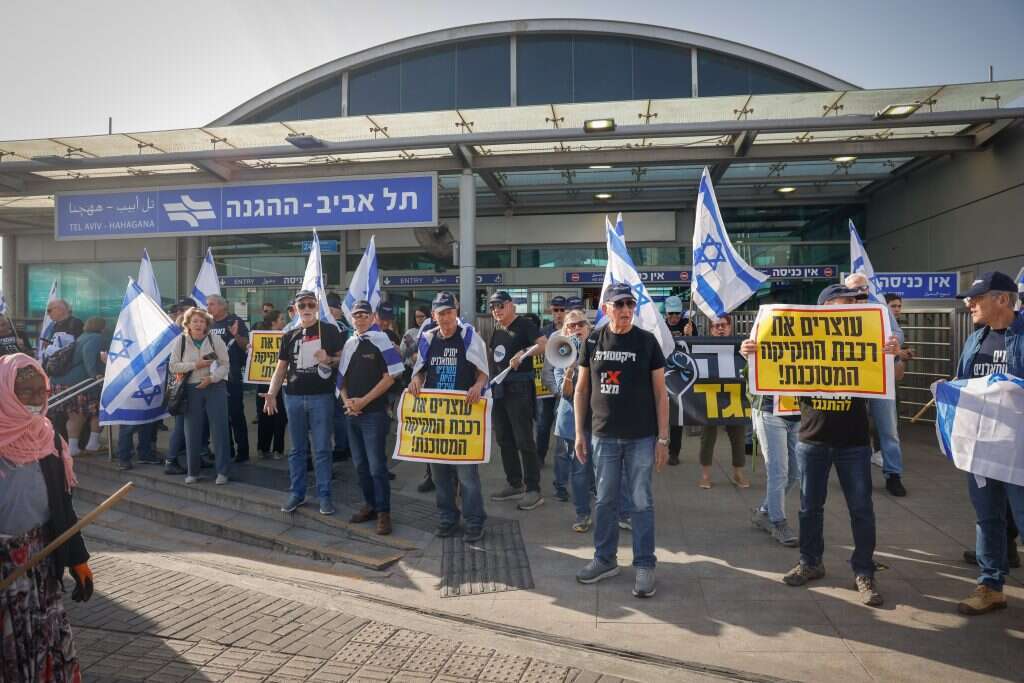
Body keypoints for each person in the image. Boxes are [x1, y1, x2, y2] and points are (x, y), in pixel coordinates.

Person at [743, 284, 901, 607]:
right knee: (809, 507)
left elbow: (894, 376)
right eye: (847, 302)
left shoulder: (867, 337)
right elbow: (770, 365)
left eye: (857, 304)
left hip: (854, 441)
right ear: (826, 307)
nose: (854, 307)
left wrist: (891, 354)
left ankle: (864, 571)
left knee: (861, 509)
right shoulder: (800, 341)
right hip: (812, 438)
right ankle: (810, 561)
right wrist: (752, 352)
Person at [0, 353, 93, 681]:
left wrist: (78, 560)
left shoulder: (48, 436)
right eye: (27, 393)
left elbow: (62, 506)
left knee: (46, 644)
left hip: (41, 560)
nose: (38, 400)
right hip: (3, 565)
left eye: (43, 391)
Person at [573, 282, 669, 598]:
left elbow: (660, 394)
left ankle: (644, 564)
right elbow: (582, 390)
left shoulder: (647, 342)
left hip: (641, 437)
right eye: (619, 304)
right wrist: (578, 433)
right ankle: (604, 559)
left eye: (630, 304)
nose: (626, 310)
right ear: (606, 309)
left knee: (641, 501)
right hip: (603, 436)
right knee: (604, 501)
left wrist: (663, 438)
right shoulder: (593, 341)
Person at [948, 272, 1024, 615]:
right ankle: (991, 586)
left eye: (977, 298)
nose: (969, 303)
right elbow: (966, 384)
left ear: (1003, 300)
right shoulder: (975, 339)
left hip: (1019, 450)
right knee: (987, 518)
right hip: (982, 448)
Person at [408, 291, 490, 542]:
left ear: (457, 313)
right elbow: (420, 371)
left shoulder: (468, 338)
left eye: (449, 312)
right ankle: (447, 518)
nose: (445, 318)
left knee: (467, 476)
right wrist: (415, 380)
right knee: (440, 475)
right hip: (436, 420)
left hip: (462, 418)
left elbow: (483, 372)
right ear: (433, 315)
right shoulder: (427, 339)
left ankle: (475, 521)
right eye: (440, 313)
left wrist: (477, 386)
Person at [264, 290, 343, 515]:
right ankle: (297, 493)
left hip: (322, 397)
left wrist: (328, 359)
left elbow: (342, 359)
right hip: (294, 397)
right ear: (296, 310)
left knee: (322, 450)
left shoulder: (329, 330)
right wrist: (271, 392)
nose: (306, 309)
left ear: (316, 306)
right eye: (302, 306)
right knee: (297, 450)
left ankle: (325, 496)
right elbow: (281, 368)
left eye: (310, 305)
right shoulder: (289, 334)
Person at [339, 300, 404, 534]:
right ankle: (370, 506)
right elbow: (341, 379)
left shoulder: (382, 341)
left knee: (377, 467)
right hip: (352, 413)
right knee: (360, 465)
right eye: (356, 315)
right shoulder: (349, 343)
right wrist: (347, 401)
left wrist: (363, 402)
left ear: (373, 317)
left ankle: (384, 512)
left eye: (364, 315)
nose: (360, 319)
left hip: (374, 414)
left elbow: (392, 376)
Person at [845, 273, 907, 497]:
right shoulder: (839, 310)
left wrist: (893, 342)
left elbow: (899, 334)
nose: (860, 292)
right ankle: (858, 476)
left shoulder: (880, 309)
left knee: (888, 429)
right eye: (854, 289)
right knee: (855, 429)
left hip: (879, 377)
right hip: (851, 379)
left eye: (862, 288)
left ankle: (893, 475)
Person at [487, 291, 547, 510]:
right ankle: (514, 483)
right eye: (493, 307)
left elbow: (543, 344)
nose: (496, 310)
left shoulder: (525, 325)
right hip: (500, 389)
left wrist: (523, 352)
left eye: (500, 306)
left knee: (523, 439)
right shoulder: (497, 329)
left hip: (519, 388)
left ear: (511, 305)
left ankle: (533, 489)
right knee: (504, 438)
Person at [169, 306, 232, 485]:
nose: (198, 324)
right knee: (191, 432)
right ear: (187, 323)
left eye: (202, 321)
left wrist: (212, 378)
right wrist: (194, 365)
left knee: (219, 430)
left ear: (207, 324)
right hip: (191, 389)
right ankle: (193, 472)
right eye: (194, 321)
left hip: (215, 387)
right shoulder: (180, 342)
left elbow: (225, 364)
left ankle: (223, 472)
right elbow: (173, 366)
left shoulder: (215, 339)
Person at [552, 309, 594, 530]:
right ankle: (582, 514)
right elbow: (565, 392)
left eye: (580, 325)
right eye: (571, 326)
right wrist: (570, 367)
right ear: (564, 331)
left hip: (599, 421)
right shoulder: (560, 356)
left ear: (588, 327)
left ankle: (621, 512)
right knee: (579, 471)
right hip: (573, 423)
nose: (576, 329)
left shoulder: (599, 348)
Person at [696, 314, 749, 489]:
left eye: (723, 325)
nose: (720, 328)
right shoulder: (703, 346)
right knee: (707, 437)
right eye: (716, 326)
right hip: (711, 396)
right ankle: (705, 475)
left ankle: (738, 473)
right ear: (711, 329)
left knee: (738, 436)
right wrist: (686, 336)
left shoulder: (740, 345)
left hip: (734, 396)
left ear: (730, 327)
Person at [49, 316, 106, 457]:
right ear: (102, 327)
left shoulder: (82, 337)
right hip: (81, 382)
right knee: (97, 411)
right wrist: (95, 374)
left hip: (63, 382)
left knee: (75, 416)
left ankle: (73, 447)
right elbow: (89, 355)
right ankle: (92, 444)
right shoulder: (95, 338)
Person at [749, 396, 801, 547]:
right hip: (770, 411)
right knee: (778, 472)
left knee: (795, 472)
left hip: (797, 412)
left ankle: (765, 511)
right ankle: (778, 523)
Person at [206, 294, 250, 464]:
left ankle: (243, 451)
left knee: (236, 414)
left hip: (232, 376)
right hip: (213, 376)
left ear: (223, 306)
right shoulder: (208, 323)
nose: (208, 308)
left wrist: (235, 335)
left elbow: (246, 345)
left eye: (212, 304)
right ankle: (227, 450)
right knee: (220, 416)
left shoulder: (234, 321)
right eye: (207, 304)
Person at [401, 306, 435, 493]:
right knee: (430, 437)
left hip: (453, 394)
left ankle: (454, 482)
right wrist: (417, 374)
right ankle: (431, 475)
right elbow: (413, 354)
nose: (420, 319)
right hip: (430, 391)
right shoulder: (426, 329)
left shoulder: (464, 330)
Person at [161, 298, 195, 476]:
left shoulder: (173, 333)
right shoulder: (181, 338)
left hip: (180, 384)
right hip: (183, 385)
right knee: (182, 425)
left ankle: (186, 456)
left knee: (185, 424)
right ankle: (171, 459)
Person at [662, 295, 694, 466]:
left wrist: (691, 335)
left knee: (676, 417)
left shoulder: (688, 324)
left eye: (677, 313)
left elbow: (697, 349)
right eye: (671, 313)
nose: (674, 317)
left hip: (680, 376)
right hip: (661, 373)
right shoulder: (660, 325)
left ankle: (674, 452)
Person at [535, 296, 567, 467]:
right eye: (556, 310)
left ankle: (568, 459)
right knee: (543, 423)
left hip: (568, 385)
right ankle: (540, 457)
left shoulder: (574, 329)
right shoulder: (544, 332)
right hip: (546, 386)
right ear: (551, 311)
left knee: (566, 424)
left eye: (562, 310)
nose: (559, 313)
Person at [255, 309, 288, 460]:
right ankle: (263, 447)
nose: (284, 322)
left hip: (281, 383)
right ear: (273, 322)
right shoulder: (259, 337)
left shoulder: (287, 337)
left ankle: (278, 449)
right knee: (264, 416)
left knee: (280, 416)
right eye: (281, 319)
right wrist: (251, 350)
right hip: (262, 382)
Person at [325, 292, 351, 463]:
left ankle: (342, 447)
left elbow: (342, 354)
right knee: (339, 414)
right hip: (339, 375)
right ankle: (344, 446)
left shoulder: (339, 326)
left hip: (336, 375)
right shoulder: (343, 325)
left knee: (338, 414)